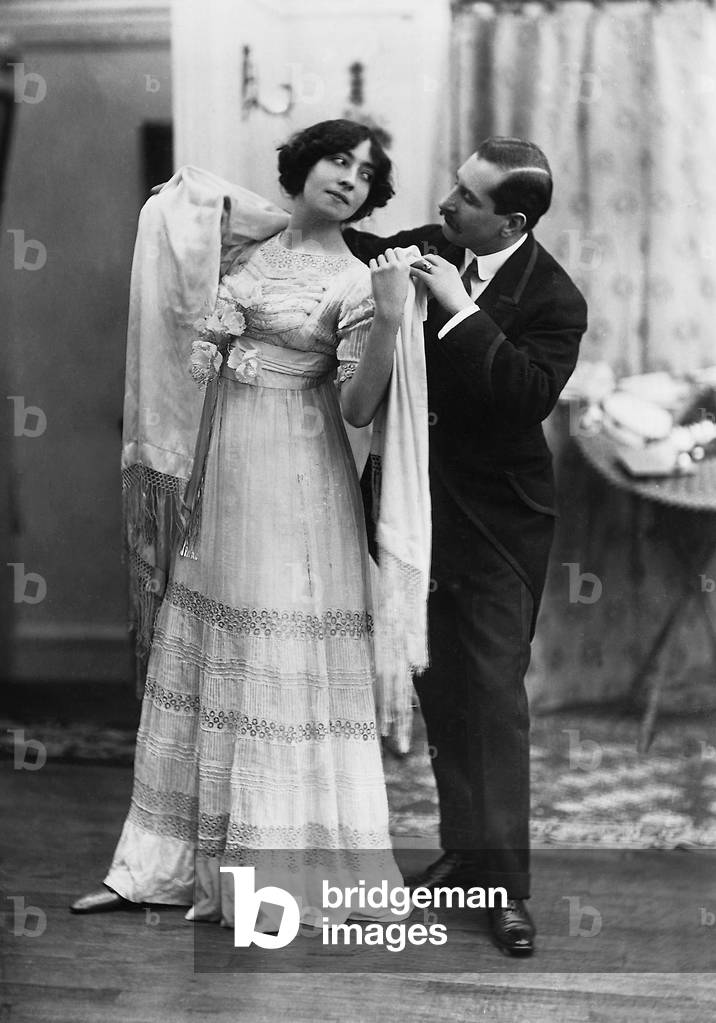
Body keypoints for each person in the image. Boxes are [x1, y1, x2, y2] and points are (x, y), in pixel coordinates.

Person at [70, 119, 417, 930]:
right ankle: (156, 867)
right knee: (204, 657)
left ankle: (270, 882)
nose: (349, 178)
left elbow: (360, 407)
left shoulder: (361, 279)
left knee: (273, 650)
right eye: (338, 158)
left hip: (300, 479)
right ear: (304, 165)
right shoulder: (243, 248)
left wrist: (395, 318)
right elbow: (174, 222)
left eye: (366, 174)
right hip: (221, 474)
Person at [344, 136, 588, 956]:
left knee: (492, 704)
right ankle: (464, 853)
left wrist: (461, 309)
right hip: (416, 517)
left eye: (467, 197)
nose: (447, 203)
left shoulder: (555, 297)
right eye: (454, 187)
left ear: (510, 219)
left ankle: (509, 891)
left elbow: (524, 395)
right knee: (442, 693)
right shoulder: (441, 241)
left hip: (498, 527)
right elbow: (356, 244)